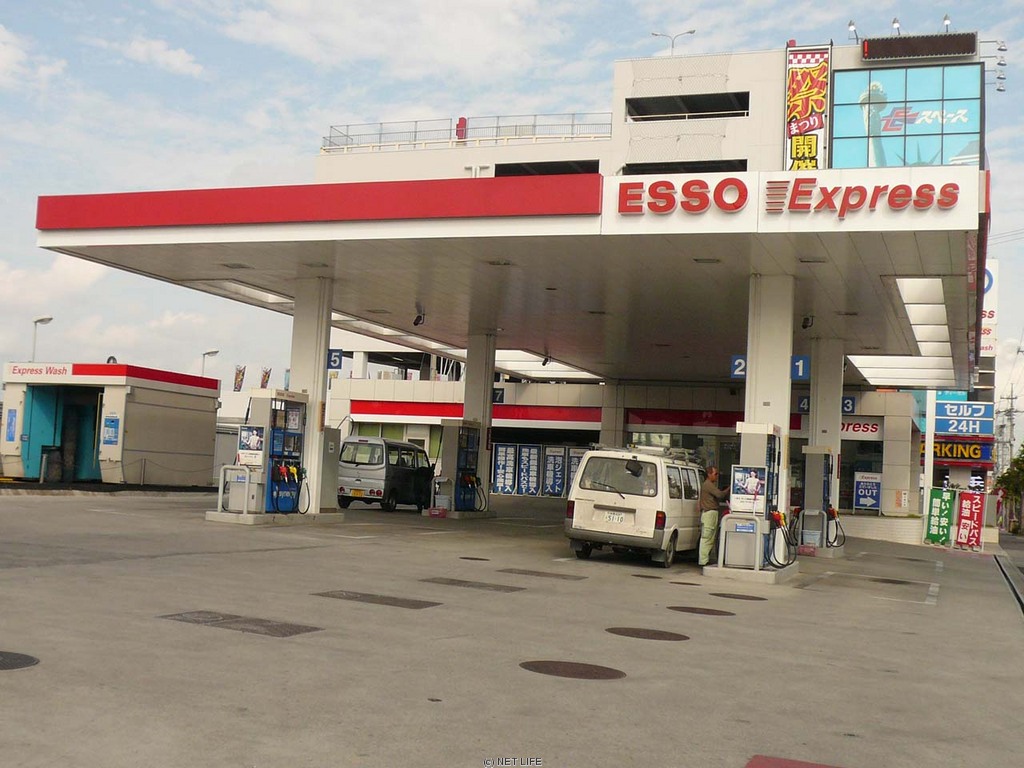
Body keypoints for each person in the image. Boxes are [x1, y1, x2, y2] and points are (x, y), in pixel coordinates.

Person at [698, 466, 728, 567]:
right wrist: (728, 489)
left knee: (710, 538)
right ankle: (703, 561)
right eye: (715, 474)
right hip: (709, 513)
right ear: (709, 474)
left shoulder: (709, 485)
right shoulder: (708, 485)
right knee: (707, 538)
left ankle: (705, 559)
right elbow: (720, 494)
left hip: (711, 513)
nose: (717, 476)